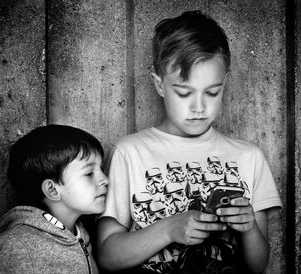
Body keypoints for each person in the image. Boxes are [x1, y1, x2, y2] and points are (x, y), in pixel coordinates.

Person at [97, 10, 282, 274]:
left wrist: (249, 227)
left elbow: (258, 265)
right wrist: (169, 229)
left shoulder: (249, 157)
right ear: (159, 85)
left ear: (225, 83)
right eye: (184, 93)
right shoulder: (128, 153)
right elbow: (106, 256)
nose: (198, 107)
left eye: (212, 92)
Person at [0, 125, 109, 274]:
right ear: (52, 189)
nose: (105, 179)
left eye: (101, 169)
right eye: (89, 173)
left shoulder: (80, 236)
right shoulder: (17, 247)